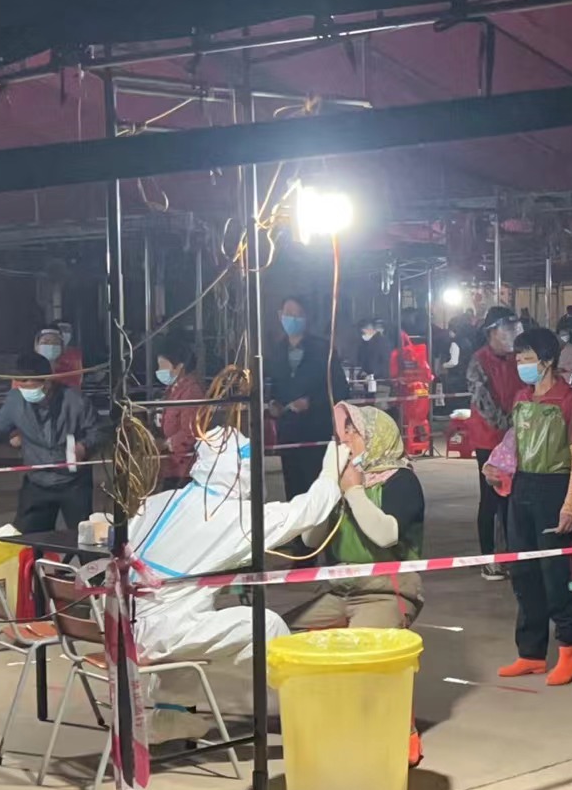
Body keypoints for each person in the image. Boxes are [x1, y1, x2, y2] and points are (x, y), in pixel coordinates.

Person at [127, 427, 343, 742]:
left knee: (201, 620)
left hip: (120, 624)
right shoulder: (231, 518)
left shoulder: (160, 501)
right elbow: (303, 514)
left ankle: (172, 717)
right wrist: (331, 472)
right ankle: (310, 715)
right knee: (266, 625)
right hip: (159, 633)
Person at [493, 327, 572, 685]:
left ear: (547, 361)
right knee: (524, 574)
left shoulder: (571, 403)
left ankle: (569, 649)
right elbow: (513, 442)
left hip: (554, 490)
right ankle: (531, 653)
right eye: (519, 358)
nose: (521, 364)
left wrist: (570, 506)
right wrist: (498, 467)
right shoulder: (521, 399)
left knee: (557, 575)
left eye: (528, 358)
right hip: (522, 490)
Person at [292, 404, 429, 631]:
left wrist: (354, 492)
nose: (344, 440)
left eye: (353, 432)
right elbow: (311, 540)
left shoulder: (401, 480)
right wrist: (327, 483)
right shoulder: (339, 481)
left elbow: (386, 536)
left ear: (374, 436)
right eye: (342, 433)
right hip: (339, 591)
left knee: (361, 645)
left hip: (386, 592)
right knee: (282, 635)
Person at [0, 352, 104, 532]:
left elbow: (98, 431)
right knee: (26, 539)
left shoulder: (75, 401)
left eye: (28, 385)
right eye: (20, 385)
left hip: (73, 483)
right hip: (36, 482)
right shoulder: (15, 400)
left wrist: (83, 447)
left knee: (83, 538)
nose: (24, 391)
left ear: (47, 381)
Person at [466, 307, 528, 579]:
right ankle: (489, 557)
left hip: (517, 437)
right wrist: (506, 424)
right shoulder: (479, 361)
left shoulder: (518, 358)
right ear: (492, 332)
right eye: (507, 329)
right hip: (489, 439)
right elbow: (482, 401)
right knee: (491, 497)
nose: (512, 335)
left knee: (513, 499)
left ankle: (512, 554)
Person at [266, 296, 349, 497]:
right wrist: (272, 403)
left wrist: (312, 403)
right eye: (289, 314)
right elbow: (272, 386)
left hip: (316, 434)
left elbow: (340, 389)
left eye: (298, 315)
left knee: (319, 491)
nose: (293, 319)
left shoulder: (323, 349)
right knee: (293, 492)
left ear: (306, 318)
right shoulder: (276, 351)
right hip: (288, 436)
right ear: (280, 316)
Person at [154, 335, 205, 490]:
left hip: (184, 469)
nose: (159, 371)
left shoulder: (191, 392)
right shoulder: (172, 390)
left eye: (163, 367)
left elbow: (190, 433)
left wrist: (165, 444)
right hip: (171, 466)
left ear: (179, 367)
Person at [53, 319, 85, 390]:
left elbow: (79, 376)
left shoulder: (76, 353)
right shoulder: (50, 352)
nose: (64, 333)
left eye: (67, 330)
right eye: (61, 330)